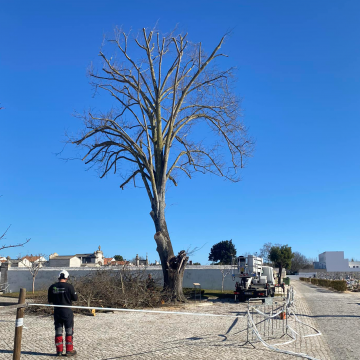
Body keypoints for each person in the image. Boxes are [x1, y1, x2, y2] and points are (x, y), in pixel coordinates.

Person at [48, 270, 78, 357]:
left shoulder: (52, 287)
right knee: (69, 330)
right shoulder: (69, 287)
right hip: (67, 311)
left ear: (58, 277)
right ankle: (69, 350)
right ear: (67, 277)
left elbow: (50, 300)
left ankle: (59, 351)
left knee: (58, 330)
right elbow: (75, 298)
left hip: (57, 311)